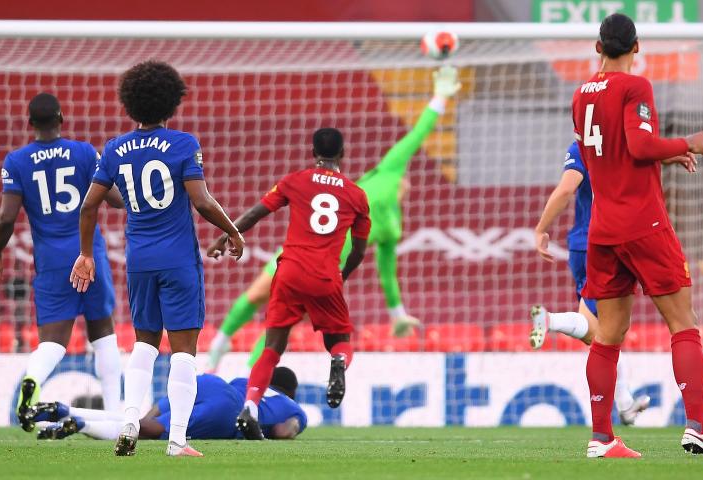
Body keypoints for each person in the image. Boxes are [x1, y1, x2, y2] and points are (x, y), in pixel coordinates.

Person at [204, 65, 461, 373]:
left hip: (321, 268)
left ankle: (249, 372)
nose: (408, 183)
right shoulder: (390, 170)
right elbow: (418, 134)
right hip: (305, 255)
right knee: (259, 293)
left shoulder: (393, 225)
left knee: (285, 321)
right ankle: (220, 344)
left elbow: (387, 272)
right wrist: (441, 97)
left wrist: (397, 314)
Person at [572, 13, 703, 458]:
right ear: (637, 46)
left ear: (597, 47)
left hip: (602, 226)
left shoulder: (580, 95)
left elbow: (608, 155)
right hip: (642, 222)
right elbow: (641, 146)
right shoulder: (635, 87)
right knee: (683, 323)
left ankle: (602, 438)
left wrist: (662, 160)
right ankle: (699, 428)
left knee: (608, 334)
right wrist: (687, 143)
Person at [71, 60, 245, 457]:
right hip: (178, 260)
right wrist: (232, 230)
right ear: (171, 102)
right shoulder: (183, 144)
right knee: (184, 349)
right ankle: (178, 440)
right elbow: (200, 200)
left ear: (130, 104)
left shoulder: (115, 148)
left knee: (144, 343)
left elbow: (89, 206)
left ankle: (130, 418)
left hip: (139, 261)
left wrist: (85, 254)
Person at [206, 127, 370, 440]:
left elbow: (256, 213)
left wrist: (225, 236)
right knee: (341, 339)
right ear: (343, 154)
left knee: (272, 347)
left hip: (289, 271)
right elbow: (359, 250)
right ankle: (337, 362)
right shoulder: (357, 195)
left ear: (313, 153)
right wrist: (342, 276)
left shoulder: (294, 180)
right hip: (325, 276)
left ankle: (251, 407)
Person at [0, 93, 124, 431]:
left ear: (30, 123)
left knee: (52, 341)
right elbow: (117, 201)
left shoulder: (16, 161)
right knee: (102, 330)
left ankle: (32, 383)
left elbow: (6, 218)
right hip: (88, 251)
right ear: (61, 118)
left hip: (51, 259)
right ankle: (117, 412)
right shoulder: (84, 152)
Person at [531, 140, 650, 425]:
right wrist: (540, 228)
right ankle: (550, 321)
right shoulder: (610, 145)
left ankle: (625, 404)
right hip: (603, 246)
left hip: (584, 245)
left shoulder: (582, 146)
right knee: (607, 329)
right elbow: (567, 188)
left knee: (601, 333)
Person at [34, 367, 306, 441]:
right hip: (228, 411)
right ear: (290, 392)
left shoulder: (247, 379)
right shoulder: (294, 409)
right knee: (152, 432)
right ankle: (82, 424)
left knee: (143, 419)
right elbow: (285, 430)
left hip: (212, 383)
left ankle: (67, 411)